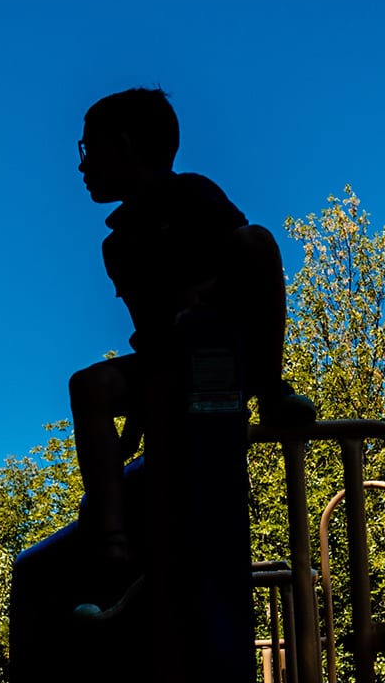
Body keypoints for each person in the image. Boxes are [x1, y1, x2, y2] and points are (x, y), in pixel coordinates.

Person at [69, 87, 304, 579]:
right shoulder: (118, 245)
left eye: (89, 149)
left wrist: (206, 299)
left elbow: (245, 256)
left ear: (127, 144)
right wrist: (134, 425)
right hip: (167, 359)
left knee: (257, 240)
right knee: (88, 385)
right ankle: (111, 533)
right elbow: (152, 334)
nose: (82, 166)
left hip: (223, 348)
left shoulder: (194, 194)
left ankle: (271, 389)